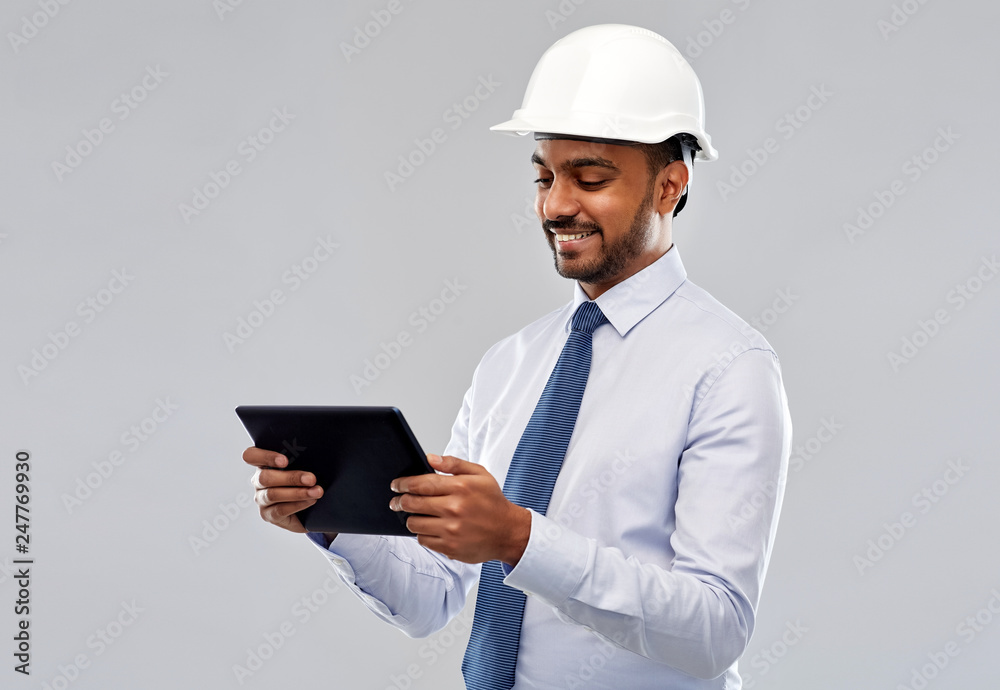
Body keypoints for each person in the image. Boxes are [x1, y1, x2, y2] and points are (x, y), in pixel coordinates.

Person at [244, 24, 791, 689]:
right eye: (544, 177)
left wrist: (518, 539)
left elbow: (715, 630)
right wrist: (330, 516)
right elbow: (432, 599)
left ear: (669, 185)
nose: (556, 205)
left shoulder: (729, 368)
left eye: (590, 178)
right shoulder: (510, 366)